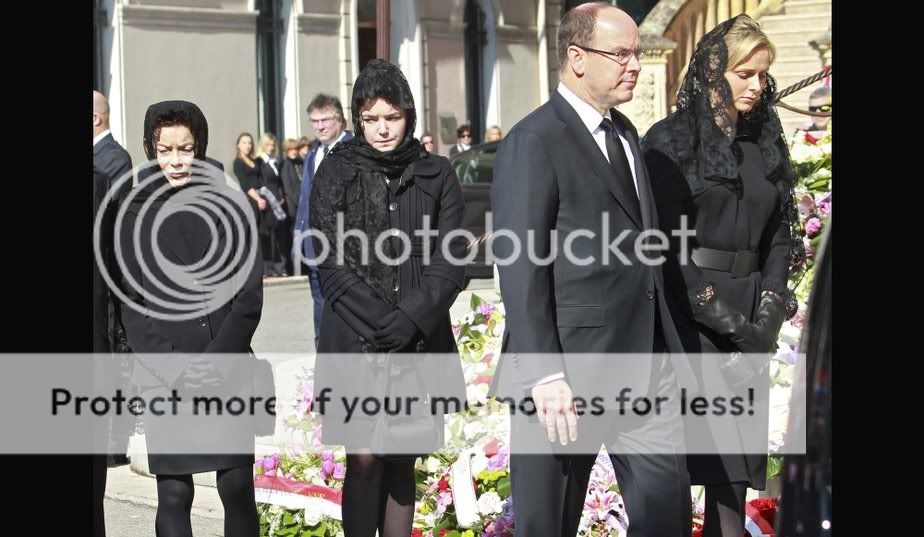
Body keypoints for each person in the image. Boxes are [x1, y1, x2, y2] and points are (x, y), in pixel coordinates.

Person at [490, 3, 694, 536]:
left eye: (638, 54)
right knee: (547, 525)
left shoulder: (626, 132)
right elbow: (520, 264)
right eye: (621, 54)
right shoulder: (533, 139)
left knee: (666, 518)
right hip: (564, 381)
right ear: (577, 58)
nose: (635, 66)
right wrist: (545, 374)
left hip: (644, 375)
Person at [641, 15, 800, 537]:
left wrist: (768, 316)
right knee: (697, 468)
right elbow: (666, 244)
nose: (757, 86)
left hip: (754, 315)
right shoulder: (670, 140)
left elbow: (780, 234)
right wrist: (733, 326)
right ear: (714, 70)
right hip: (694, 321)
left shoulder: (762, 142)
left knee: (732, 485)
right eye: (745, 73)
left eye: (763, 74)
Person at [308, 59, 467, 537]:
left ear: (409, 116)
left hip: (417, 341)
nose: (381, 129)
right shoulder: (336, 171)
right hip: (355, 337)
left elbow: (451, 258)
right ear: (358, 118)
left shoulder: (436, 172)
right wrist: (382, 321)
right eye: (371, 118)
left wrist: (411, 318)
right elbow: (328, 259)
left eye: (392, 117)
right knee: (363, 459)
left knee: (401, 460)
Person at [118, 100, 264, 537]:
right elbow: (133, 304)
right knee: (175, 493)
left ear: (199, 147)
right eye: (165, 150)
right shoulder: (132, 213)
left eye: (185, 148)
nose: (176, 160)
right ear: (151, 149)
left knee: (237, 487)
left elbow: (249, 295)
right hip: (167, 374)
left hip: (228, 364)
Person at [293, 94, 353, 350]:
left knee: (343, 308)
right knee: (319, 306)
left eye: (325, 120)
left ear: (339, 119)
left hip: (344, 248)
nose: (319, 126)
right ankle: (323, 359)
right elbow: (304, 201)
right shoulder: (312, 155)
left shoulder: (354, 149)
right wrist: (298, 239)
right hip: (313, 248)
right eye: (314, 121)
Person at [257, 133, 288, 276]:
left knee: (279, 237)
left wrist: (281, 197)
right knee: (268, 236)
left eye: (273, 145)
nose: (270, 147)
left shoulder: (275, 162)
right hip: (268, 203)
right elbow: (261, 183)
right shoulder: (260, 162)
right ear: (262, 145)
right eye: (268, 145)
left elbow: (278, 183)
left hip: (278, 203)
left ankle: (279, 268)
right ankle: (267, 269)